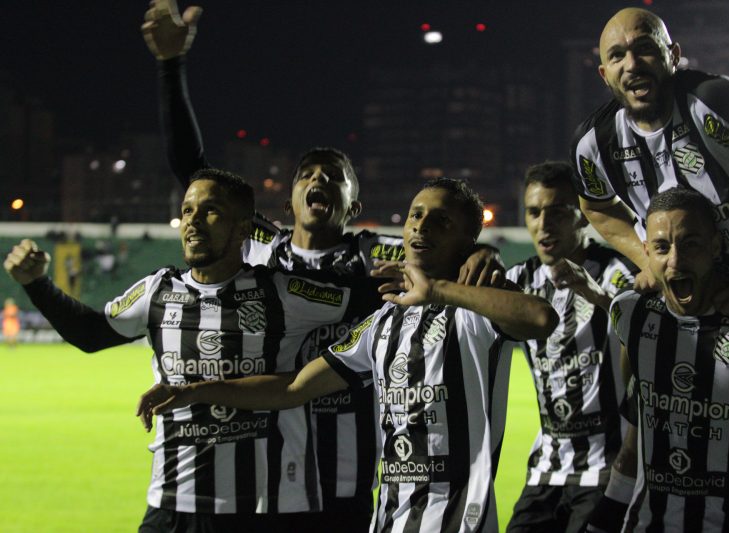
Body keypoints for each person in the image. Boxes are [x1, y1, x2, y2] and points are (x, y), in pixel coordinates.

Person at [141, 2, 505, 528]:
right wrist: (171, 66)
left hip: (348, 476)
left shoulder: (378, 254)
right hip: (270, 474)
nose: (319, 180)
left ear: (353, 205)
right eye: (307, 173)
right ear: (287, 199)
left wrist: (480, 251)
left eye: (335, 176)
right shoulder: (264, 248)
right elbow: (194, 170)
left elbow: (438, 250)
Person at [138, 177, 560, 532]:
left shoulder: (474, 312)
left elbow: (541, 318)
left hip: (455, 523)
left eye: (441, 220)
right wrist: (196, 390)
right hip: (388, 520)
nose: (421, 226)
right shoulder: (382, 323)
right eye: (416, 215)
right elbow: (294, 387)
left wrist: (439, 290)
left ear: (468, 241)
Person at [4, 169, 378, 533]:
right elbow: (91, 333)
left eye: (210, 211)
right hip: (171, 502)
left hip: (262, 508)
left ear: (244, 228)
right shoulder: (157, 292)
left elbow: (372, 300)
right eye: (187, 211)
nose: (193, 222)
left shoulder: (283, 292)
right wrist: (36, 284)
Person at [585, 188, 729, 532]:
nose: (675, 261)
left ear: (716, 247)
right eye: (661, 247)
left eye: (691, 244)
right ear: (646, 253)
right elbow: (633, 446)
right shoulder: (632, 314)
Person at [571, 7, 729, 322]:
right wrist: (648, 259)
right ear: (604, 73)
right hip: (703, 315)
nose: (632, 64)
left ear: (673, 55)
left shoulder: (713, 103)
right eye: (617, 56)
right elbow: (597, 207)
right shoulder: (594, 144)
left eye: (645, 49)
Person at [504, 162, 636, 532]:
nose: (543, 224)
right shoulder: (519, 279)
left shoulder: (614, 271)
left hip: (605, 467)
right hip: (546, 466)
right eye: (533, 212)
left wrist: (594, 293)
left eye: (557, 211)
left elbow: (648, 329)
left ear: (582, 217)